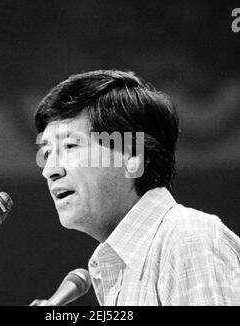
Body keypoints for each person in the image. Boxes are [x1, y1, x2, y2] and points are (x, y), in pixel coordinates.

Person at [33, 69, 240, 306]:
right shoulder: (121, 267)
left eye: (69, 146)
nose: (49, 169)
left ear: (132, 156)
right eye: (47, 153)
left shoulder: (187, 237)